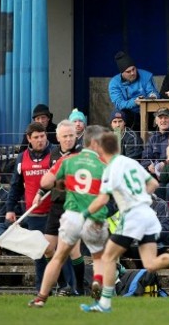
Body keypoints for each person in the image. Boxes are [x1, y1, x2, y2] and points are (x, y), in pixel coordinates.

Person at [81, 131, 169, 313]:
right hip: (148, 214)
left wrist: (84, 214)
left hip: (133, 215)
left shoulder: (110, 169)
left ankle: (105, 304)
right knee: (150, 263)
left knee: (108, 257)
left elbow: (102, 200)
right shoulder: (130, 162)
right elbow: (154, 185)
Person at [28, 125, 110, 308]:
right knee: (99, 258)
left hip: (71, 216)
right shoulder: (104, 164)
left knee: (58, 256)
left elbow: (45, 182)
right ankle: (98, 296)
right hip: (94, 216)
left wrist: (63, 182)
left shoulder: (68, 160)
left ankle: (41, 297)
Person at [6, 122, 53, 291]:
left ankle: (68, 287)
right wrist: (10, 209)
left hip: (54, 212)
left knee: (60, 252)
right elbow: (16, 186)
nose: (40, 140)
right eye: (36, 137)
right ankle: (41, 288)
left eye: (43, 136)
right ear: (29, 139)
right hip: (34, 214)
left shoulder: (54, 154)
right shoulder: (22, 158)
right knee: (38, 253)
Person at [39, 119, 83, 295]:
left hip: (74, 207)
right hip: (56, 206)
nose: (68, 139)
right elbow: (49, 179)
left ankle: (80, 288)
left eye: (71, 135)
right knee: (48, 248)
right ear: (58, 137)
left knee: (74, 251)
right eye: (64, 136)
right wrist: (40, 194)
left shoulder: (82, 155)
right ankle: (63, 284)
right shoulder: (54, 153)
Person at [108, 51, 160, 129]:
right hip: (127, 113)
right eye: (128, 72)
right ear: (122, 73)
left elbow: (152, 91)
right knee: (118, 118)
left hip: (147, 110)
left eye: (133, 69)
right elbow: (119, 104)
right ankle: (120, 139)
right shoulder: (114, 83)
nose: (132, 73)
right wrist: (134, 102)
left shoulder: (146, 76)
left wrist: (153, 95)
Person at [141, 107, 169, 177]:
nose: (163, 120)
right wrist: (149, 165)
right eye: (160, 118)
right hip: (154, 173)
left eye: (166, 117)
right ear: (156, 121)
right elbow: (145, 158)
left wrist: (164, 164)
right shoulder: (152, 138)